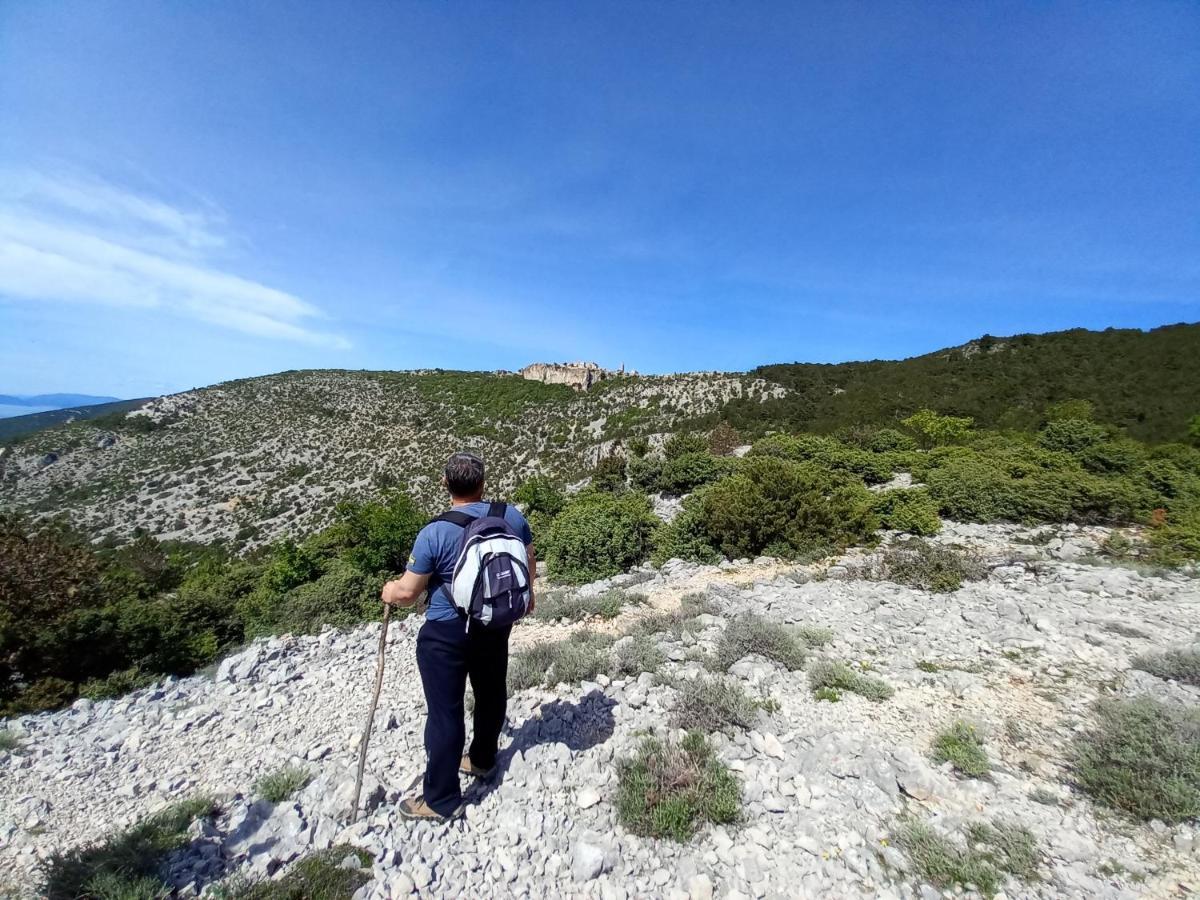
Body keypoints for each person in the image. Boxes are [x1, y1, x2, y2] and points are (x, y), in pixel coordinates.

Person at [381, 451, 535, 820]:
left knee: (445, 713)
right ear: (483, 483)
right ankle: (482, 760)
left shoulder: (433, 532)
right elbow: (528, 558)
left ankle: (441, 800)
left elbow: (407, 593)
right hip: (495, 622)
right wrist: (530, 600)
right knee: (491, 691)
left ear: (446, 484)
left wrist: (389, 591)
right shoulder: (510, 516)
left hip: (446, 631)